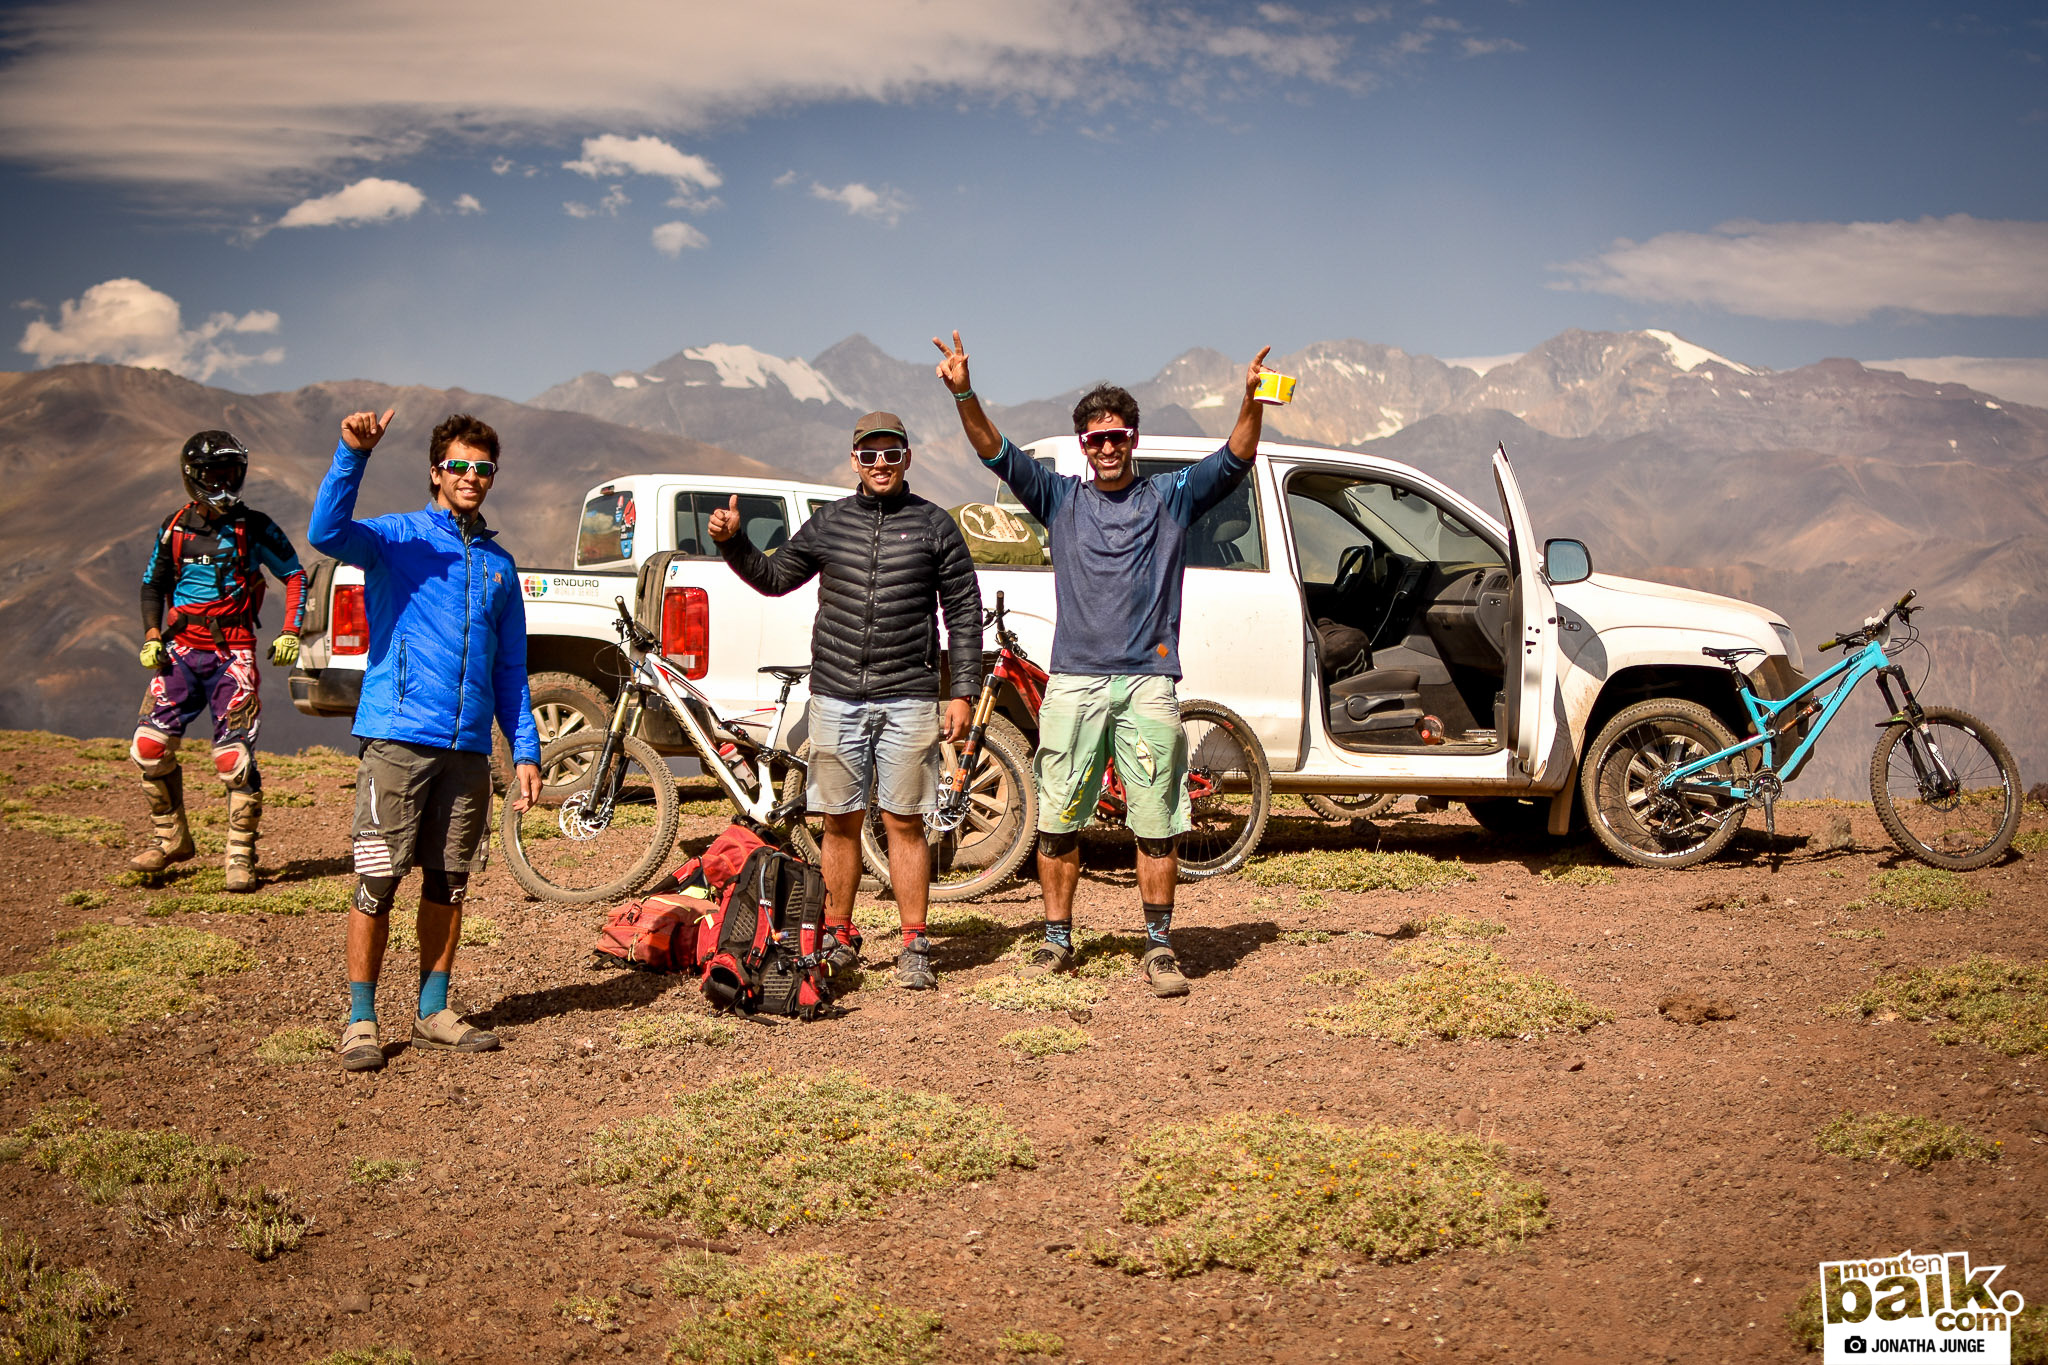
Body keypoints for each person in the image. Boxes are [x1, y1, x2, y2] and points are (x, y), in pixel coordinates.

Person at [934, 331, 1272, 997]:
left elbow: (1235, 458)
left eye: (1117, 436)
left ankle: (1159, 945)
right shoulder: (1060, 499)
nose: (1108, 448)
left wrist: (1251, 401)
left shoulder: (1170, 496)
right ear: (1083, 446)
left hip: (1148, 681)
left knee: (1156, 821)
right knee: (1058, 817)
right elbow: (994, 451)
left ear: (1133, 439)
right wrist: (965, 393)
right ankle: (1057, 938)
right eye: (1096, 439)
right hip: (1076, 681)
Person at [708, 411, 982, 991]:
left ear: (907, 458)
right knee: (839, 821)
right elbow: (775, 577)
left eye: (891, 453)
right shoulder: (829, 522)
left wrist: (962, 690)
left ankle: (914, 943)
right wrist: (734, 543)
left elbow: (963, 611)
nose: (881, 464)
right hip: (836, 694)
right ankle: (837, 933)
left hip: (908, 695)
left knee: (904, 821)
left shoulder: (934, 524)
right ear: (854, 460)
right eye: (870, 454)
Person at [308, 408, 542, 1073]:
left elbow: (510, 668)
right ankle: (360, 1019)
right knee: (377, 879)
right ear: (436, 471)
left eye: (483, 468)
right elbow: (326, 532)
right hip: (397, 738)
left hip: (467, 750)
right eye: (459, 465)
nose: (471, 476)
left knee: (449, 882)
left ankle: (433, 1011)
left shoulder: (499, 565)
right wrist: (352, 454)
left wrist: (525, 748)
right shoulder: (395, 538)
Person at [130, 431, 308, 892]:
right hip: (180, 651)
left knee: (233, 759)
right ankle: (170, 840)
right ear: (194, 477)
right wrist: (152, 636)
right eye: (214, 474)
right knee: (148, 748)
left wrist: (290, 630)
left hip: (234, 653)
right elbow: (153, 584)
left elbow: (294, 574)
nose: (224, 483)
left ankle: (240, 856)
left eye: (231, 474)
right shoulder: (175, 527)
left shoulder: (256, 526)